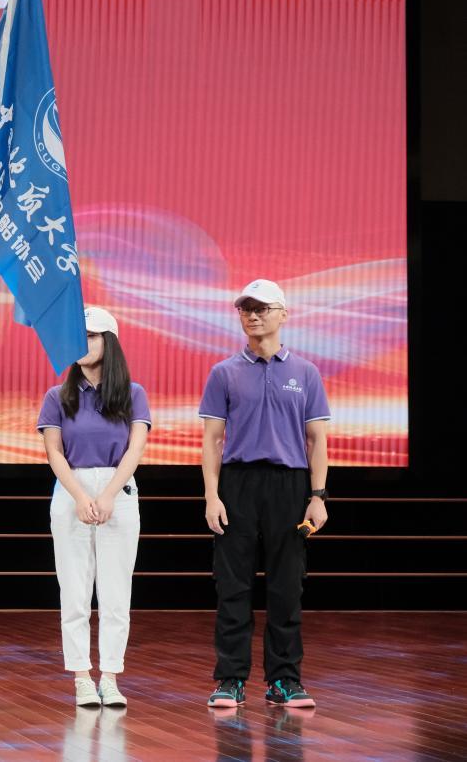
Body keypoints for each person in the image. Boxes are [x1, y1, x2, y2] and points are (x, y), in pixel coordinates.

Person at [200, 280, 329, 709]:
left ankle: (284, 681)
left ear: (283, 315)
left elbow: (317, 440)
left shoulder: (306, 373)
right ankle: (231, 679)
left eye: (262, 308)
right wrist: (212, 496)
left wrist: (318, 496)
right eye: (246, 309)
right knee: (232, 586)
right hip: (237, 484)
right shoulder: (224, 372)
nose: (253, 315)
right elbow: (212, 441)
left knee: (287, 586)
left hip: (290, 485)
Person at [38, 307, 151, 708]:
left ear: (109, 342)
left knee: (116, 592)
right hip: (71, 490)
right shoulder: (58, 396)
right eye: (78, 336)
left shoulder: (133, 394)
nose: (82, 343)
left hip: (119, 490)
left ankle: (111, 677)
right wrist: (81, 496)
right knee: (74, 589)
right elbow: (54, 452)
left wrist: (107, 495)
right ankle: (82, 678)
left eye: (90, 336)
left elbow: (135, 449)